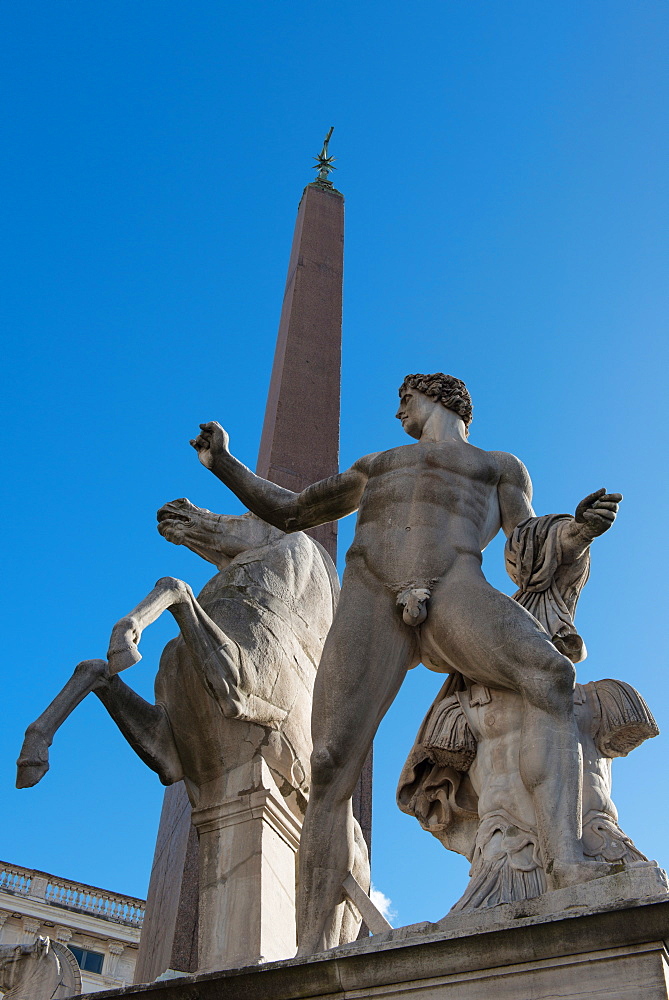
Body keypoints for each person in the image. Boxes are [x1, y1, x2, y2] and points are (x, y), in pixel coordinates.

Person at [190, 372, 622, 955]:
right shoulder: (378, 465)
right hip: (372, 594)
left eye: (405, 400)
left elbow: (524, 545)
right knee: (328, 762)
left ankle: (565, 860)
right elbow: (293, 511)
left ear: (440, 398)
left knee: (551, 674)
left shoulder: (498, 467)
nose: (399, 413)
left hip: (453, 585)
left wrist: (575, 532)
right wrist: (224, 463)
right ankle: (311, 951)